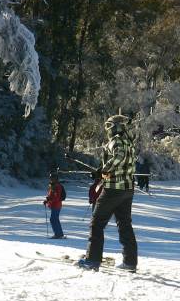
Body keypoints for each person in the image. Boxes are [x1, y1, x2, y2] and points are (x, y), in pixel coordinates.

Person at [78, 114, 137, 272]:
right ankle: (130, 262)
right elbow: (123, 162)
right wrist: (102, 173)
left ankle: (92, 260)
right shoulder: (130, 142)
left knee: (96, 223)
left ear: (116, 127)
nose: (108, 130)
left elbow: (118, 157)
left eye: (109, 126)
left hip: (113, 189)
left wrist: (103, 169)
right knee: (124, 224)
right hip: (127, 189)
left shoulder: (116, 141)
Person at [43, 172, 65, 239]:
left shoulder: (57, 186)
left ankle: (58, 234)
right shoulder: (53, 185)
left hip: (56, 205)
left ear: (56, 178)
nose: (51, 179)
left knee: (53, 219)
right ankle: (59, 234)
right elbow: (51, 195)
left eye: (52, 178)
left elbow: (56, 197)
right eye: (50, 178)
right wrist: (47, 200)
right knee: (55, 219)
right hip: (55, 205)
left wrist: (49, 200)